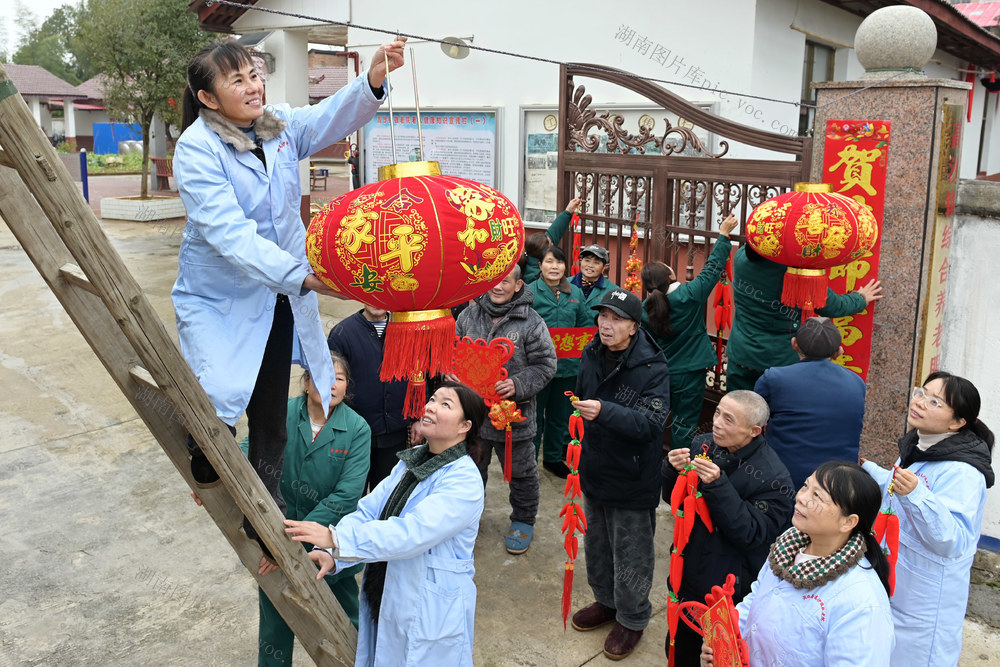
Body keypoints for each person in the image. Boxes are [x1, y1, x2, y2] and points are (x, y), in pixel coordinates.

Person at [172, 38, 405, 556]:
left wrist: (371, 82)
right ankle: (207, 463)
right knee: (215, 394)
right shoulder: (197, 148)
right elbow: (228, 235)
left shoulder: (272, 125)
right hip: (222, 297)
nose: (254, 87)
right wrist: (299, 276)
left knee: (272, 411)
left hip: (278, 292)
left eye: (255, 75)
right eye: (238, 80)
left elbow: (322, 120)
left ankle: (266, 505)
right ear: (209, 99)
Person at [283, 382, 488, 667]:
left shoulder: (463, 480)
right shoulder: (410, 462)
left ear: (465, 426)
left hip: (429, 608)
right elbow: (368, 512)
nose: (430, 406)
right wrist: (333, 554)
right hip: (387, 592)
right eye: (432, 399)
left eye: (445, 404)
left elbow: (411, 533)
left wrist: (337, 539)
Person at [192, 354, 370, 666]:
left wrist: (294, 538)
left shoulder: (358, 429)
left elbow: (346, 495)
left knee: (344, 620)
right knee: (276, 621)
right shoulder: (284, 411)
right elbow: (249, 450)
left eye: (338, 378)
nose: (330, 383)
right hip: (275, 533)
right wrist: (214, 478)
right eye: (320, 374)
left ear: (346, 387)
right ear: (305, 382)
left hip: (329, 542)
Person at [861, 371, 995, 666]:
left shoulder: (963, 473)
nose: (920, 402)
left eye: (935, 402)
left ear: (957, 422)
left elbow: (953, 540)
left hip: (927, 597)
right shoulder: (919, 446)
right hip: (898, 579)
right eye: (922, 393)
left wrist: (918, 496)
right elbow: (899, 491)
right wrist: (868, 470)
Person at [703, 462, 894, 666]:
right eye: (805, 486)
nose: (801, 498)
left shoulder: (861, 602)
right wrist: (725, 640)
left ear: (848, 522)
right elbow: (758, 596)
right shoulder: (789, 542)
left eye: (817, 496)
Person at [570, 289, 670, 660]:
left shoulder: (652, 367)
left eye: (615, 320)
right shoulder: (592, 350)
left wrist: (605, 412)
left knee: (631, 553)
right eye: (602, 317)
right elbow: (582, 395)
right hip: (596, 466)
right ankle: (606, 602)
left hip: (632, 475)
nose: (605, 326)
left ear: (633, 326)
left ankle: (632, 617)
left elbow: (652, 422)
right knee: (597, 545)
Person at [661, 390, 794, 665]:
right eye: (718, 412)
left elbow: (750, 534)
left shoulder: (773, 478)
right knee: (678, 647)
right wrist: (671, 471)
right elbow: (677, 503)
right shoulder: (703, 445)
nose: (718, 422)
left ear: (754, 431)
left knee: (717, 655)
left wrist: (718, 486)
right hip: (687, 570)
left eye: (729, 419)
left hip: (726, 587)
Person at [455, 265, 557, 554]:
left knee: (523, 472)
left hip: (514, 418)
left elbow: (547, 365)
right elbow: (455, 353)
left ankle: (523, 519)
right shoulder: (467, 315)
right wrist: (455, 375)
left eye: (506, 281)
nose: (498, 287)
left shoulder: (532, 322)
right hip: (474, 416)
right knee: (472, 470)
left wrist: (517, 383)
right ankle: (467, 519)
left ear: (518, 285)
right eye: (493, 280)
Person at [725, 244, 883, 391]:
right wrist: (860, 298)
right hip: (779, 361)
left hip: (740, 355)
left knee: (736, 413)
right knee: (775, 417)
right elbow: (833, 306)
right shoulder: (795, 273)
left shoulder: (741, 258)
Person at [642, 213, 737, 451]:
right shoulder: (690, 294)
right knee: (684, 425)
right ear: (671, 276)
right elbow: (713, 268)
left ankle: (650, 465)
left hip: (659, 373)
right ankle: (680, 471)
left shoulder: (644, 309)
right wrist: (723, 235)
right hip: (690, 372)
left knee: (652, 420)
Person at [754, 316, 866, 488]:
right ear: (839, 352)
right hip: (839, 483)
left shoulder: (774, 378)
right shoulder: (857, 383)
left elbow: (753, 419)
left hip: (783, 480)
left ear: (794, 344)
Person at [328, 304, 410, 491]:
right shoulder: (342, 333)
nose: (377, 301)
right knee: (350, 493)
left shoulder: (406, 330)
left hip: (394, 432)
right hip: (353, 433)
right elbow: (331, 382)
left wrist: (418, 419)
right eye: (372, 293)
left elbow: (419, 376)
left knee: (386, 494)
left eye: (383, 293)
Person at [528, 245, 593, 478]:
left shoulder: (575, 293)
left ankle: (553, 458)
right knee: (533, 417)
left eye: (559, 262)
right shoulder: (530, 292)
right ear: (540, 266)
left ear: (566, 266)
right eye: (549, 262)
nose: (554, 267)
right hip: (536, 367)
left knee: (560, 416)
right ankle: (529, 461)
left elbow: (585, 325)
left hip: (567, 368)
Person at [523, 197, 581, 283]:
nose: (553, 243)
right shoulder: (533, 277)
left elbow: (554, 231)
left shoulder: (536, 251)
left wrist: (568, 211)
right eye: (551, 244)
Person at [571, 243, 619, 308]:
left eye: (596, 262)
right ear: (581, 261)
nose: (590, 265)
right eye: (587, 260)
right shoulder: (565, 284)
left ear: (604, 267)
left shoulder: (613, 291)